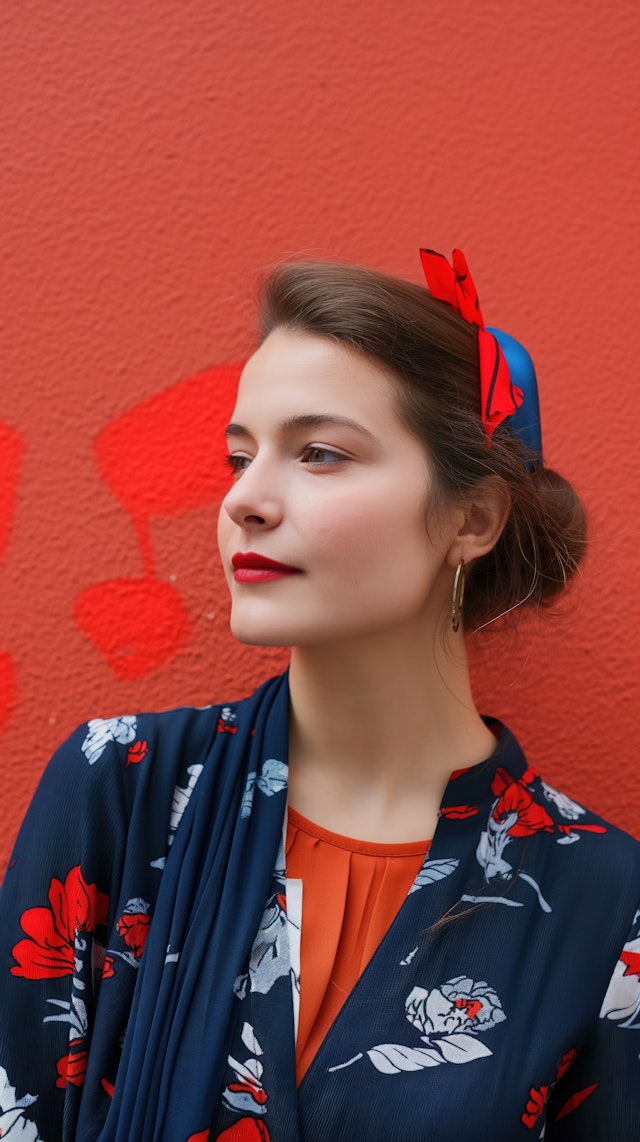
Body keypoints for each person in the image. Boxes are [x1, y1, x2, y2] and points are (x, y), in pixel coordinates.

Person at [1, 248, 639, 1142]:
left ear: (474, 519)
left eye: (322, 453)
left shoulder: (603, 899)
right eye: (238, 456)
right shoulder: (120, 787)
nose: (245, 501)